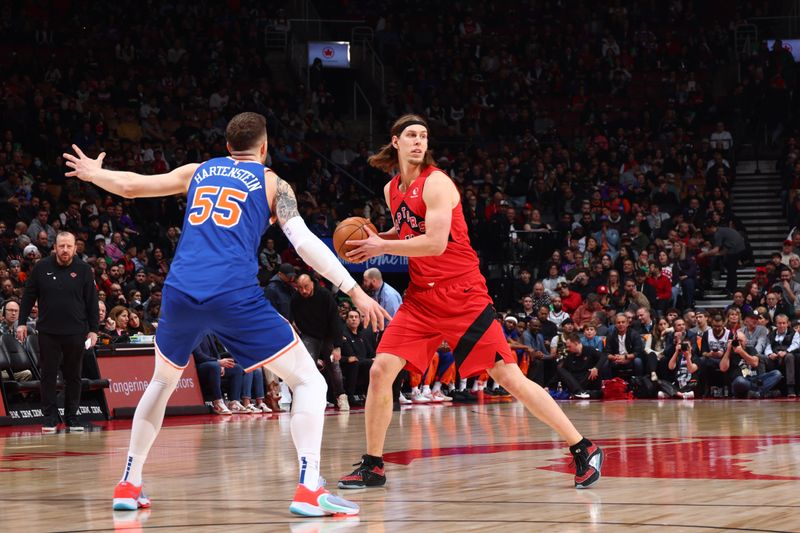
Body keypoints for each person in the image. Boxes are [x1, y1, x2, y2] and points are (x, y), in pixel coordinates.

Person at [62, 111, 388, 517]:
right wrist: (354, 290)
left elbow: (131, 186)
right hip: (233, 294)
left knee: (162, 382)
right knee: (309, 382)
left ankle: (129, 482)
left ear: (227, 145)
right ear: (265, 147)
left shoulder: (200, 170)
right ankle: (308, 488)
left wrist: (95, 173)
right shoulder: (273, 183)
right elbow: (303, 243)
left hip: (180, 290)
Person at [338, 115, 602, 491]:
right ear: (395, 142)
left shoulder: (438, 183)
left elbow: (435, 242)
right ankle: (373, 465)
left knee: (507, 376)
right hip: (421, 298)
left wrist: (383, 247)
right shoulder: (391, 188)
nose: (418, 141)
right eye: (411, 135)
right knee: (381, 370)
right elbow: (409, 227)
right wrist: (376, 237)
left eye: (424, 136)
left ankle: (582, 447)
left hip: (462, 294)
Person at [17, 232, 99, 433]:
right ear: (55, 247)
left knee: (73, 376)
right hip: (48, 331)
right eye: (61, 246)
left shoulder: (84, 269)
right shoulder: (41, 267)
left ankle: (72, 416)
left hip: (76, 331)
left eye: (69, 246)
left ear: (75, 248)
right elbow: (28, 296)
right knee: (48, 375)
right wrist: (21, 323)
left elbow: (92, 302)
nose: (65, 250)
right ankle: (50, 418)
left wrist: (94, 330)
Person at [291, 273, 349, 411]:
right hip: (309, 335)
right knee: (306, 367)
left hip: (328, 335)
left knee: (334, 368)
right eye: (300, 288)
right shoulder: (295, 299)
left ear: (312, 283)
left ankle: (341, 397)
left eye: (306, 287)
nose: (303, 291)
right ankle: (303, 399)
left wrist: (337, 346)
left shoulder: (325, 295)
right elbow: (292, 319)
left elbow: (335, 321)